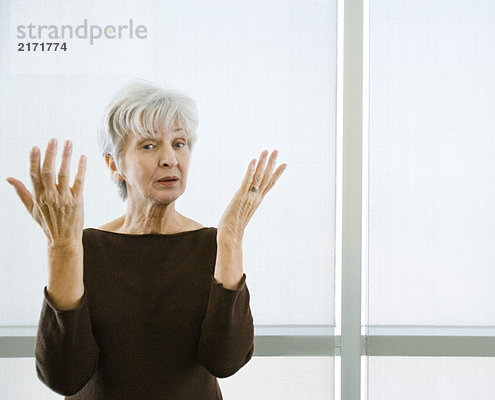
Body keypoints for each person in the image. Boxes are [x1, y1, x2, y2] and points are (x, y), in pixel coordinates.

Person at [5, 80, 288, 399]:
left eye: (179, 143)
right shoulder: (83, 248)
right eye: (149, 145)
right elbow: (63, 375)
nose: (170, 159)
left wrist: (232, 237)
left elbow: (226, 360)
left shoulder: (214, 244)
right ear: (114, 165)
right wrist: (62, 249)